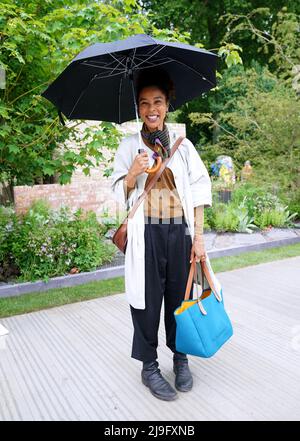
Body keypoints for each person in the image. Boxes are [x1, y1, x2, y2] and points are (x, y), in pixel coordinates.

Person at [111, 68, 212, 401]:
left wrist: (198, 239)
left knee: (179, 299)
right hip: (147, 236)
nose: (151, 108)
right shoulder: (129, 146)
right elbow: (112, 199)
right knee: (146, 303)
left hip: (179, 235)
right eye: (144, 103)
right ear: (138, 109)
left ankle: (180, 359)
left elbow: (198, 192)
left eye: (157, 101)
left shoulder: (183, 147)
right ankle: (149, 367)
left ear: (167, 105)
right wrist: (131, 175)